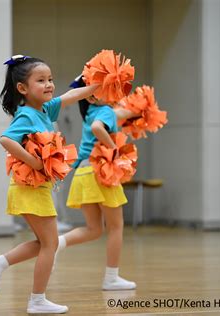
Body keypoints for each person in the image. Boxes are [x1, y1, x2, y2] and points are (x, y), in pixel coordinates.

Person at [0, 55, 99, 314]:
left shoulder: (44, 110)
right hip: (29, 187)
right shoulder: (26, 115)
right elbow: (6, 140)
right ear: (22, 88)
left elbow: (71, 96)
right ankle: (36, 300)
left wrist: (94, 87)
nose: (48, 85)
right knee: (50, 244)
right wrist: (34, 163)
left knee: (44, 242)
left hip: (34, 188)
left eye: (50, 79)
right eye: (41, 80)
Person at [56, 75, 138, 291]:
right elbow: (98, 128)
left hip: (83, 171)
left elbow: (120, 114)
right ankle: (111, 278)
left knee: (93, 229)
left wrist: (141, 107)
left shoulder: (94, 110)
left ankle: (57, 243)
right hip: (100, 170)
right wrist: (115, 150)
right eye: (105, 89)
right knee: (116, 226)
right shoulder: (103, 113)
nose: (111, 92)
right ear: (90, 97)